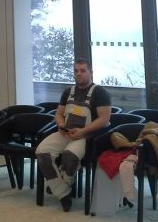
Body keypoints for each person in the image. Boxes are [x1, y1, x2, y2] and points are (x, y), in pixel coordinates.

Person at [36, 58, 111, 212]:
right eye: (76, 71)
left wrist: (83, 131)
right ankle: (63, 192)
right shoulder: (68, 92)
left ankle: (58, 187)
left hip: (85, 136)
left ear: (91, 72)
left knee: (70, 156)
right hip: (65, 133)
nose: (79, 74)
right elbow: (59, 114)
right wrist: (61, 124)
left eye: (83, 70)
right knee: (41, 152)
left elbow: (104, 120)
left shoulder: (100, 92)